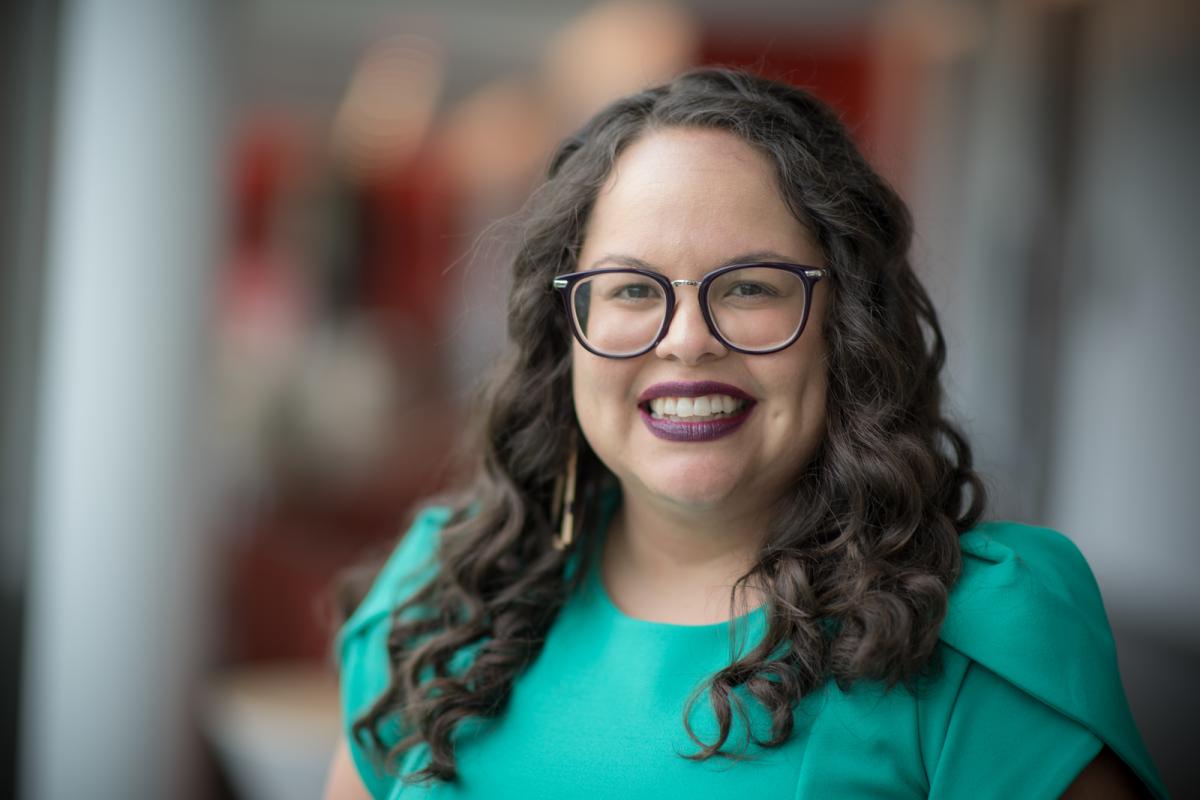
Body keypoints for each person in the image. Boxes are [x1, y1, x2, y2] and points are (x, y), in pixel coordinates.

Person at [322, 68, 1166, 799]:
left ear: (848, 326)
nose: (688, 338)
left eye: (752, 287)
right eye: (631, 290)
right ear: (566, 330)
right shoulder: (441, 591)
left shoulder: (983, 638)